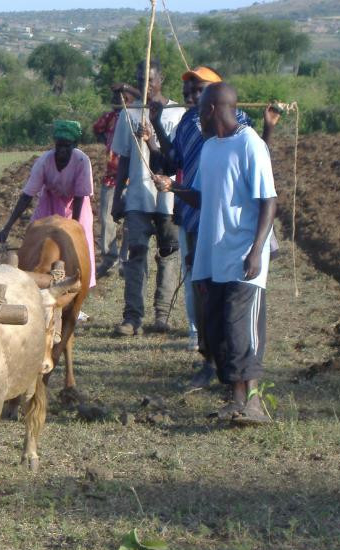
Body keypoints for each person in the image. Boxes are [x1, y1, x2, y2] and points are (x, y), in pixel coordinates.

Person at [149, 66, 280, 387]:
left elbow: (266, 195)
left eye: (199, 94)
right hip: (207, 238)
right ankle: (219, 376)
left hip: (239, 248)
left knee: (239, 323)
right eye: (188, 93)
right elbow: (189, 181)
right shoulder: (203, 140)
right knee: (211, 313)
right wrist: (172, 185)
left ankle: (247, 395)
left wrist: (256, 251)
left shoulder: (246, 138)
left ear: (212, 106)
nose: (191, 101)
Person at [111, 59, 185, 335]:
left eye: (150, 80)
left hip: (168, 195)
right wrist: (118, 196)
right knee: (136, 253)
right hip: (138, 196)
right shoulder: (128, 114)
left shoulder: (178, 113)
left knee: (168, 253)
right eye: (141, 80)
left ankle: (162, 315)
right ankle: (132, 317)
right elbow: (123, 160)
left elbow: (177, 158)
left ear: (161, 79)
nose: (146, 85)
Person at [0, 119, 95, 291]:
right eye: (59, 146)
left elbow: (80, 196)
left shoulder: (82, 161)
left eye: (67, 146)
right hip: (50, 200)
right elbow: (27, 195)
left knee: (79, 242)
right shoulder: (44, 161)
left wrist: (74, 226)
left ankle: (78, 285)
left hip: (76, 204)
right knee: (36, 232)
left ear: (75, 145)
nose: (62, 151)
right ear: (54, 144)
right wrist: (7, 227)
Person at [92, 83, 139, 278]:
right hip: (111, 176)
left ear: (128, 100)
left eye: (119, 98)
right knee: (106, 219)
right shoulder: (110, 118)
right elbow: (97, 129)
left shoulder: (134, 117)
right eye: (114, 98)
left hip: (132, 176)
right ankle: (109, 257)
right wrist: (107, 141)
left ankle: (124, 259)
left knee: (130, 220)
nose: (115, 102)